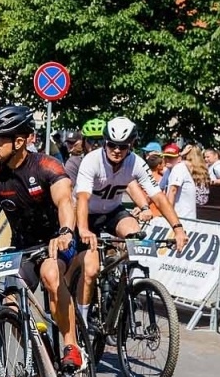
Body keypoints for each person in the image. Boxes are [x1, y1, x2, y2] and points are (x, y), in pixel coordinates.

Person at [0, 104, 85, 369]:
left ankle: (71, 345)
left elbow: (66, 201)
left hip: (56, 240)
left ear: (19, 141)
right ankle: (41, 360)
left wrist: (66, 231)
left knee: (51, 275)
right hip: (24, 246)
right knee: (10, 306)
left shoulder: (46, 165)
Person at [72, 117, 188, 332]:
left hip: (112, 211)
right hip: (87, 213)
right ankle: (83, 317)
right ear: (105, 142)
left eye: (123, 146)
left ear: (131, 145)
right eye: (112, 144)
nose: (117, 150)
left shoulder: (135, 162)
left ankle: (119, 285)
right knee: (90, 269)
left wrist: (178, 229)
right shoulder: (92, 160)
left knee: (134, 234)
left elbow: (159, 197)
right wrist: (84, 229)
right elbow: (82, 198)